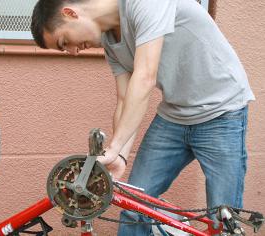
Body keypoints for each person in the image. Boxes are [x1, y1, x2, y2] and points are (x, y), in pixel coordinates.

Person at [30, 0, 255, 235]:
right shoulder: (110, 43)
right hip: (175, 115)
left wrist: (116, 146)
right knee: (134, 205)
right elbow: (124, 100)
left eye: (64, 42)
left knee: (223, 219)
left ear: (70, 13)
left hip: (222, 112)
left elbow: (145, 76)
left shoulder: (143, 3)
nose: (73, 52)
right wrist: (120, 157)